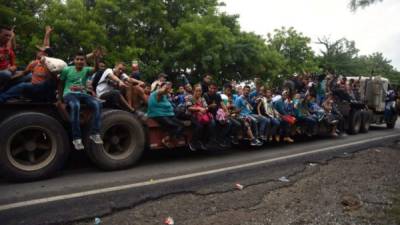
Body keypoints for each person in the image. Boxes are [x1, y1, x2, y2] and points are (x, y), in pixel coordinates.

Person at [59, 51, 103, 150]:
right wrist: (59, 99)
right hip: (69, 94)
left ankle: (95, 133)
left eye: (82, 59)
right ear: (74, 61)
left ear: (84, 61)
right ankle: (77, 138)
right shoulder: (67, 70)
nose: (79, 61)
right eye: (77, 59)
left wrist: (96, 58)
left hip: (83, 94)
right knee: (75, 106)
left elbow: (96, 69)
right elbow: (61, 84)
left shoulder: (86, 69)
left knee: (98, 104)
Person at [0, 26, 56, 103]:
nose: (38, 52)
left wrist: (47, 35)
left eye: (40, 51)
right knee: (24, 77)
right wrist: (11, 78)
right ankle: (6, 92)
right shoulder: (35, 63)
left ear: (46, 54)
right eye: (38, 50)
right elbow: (23, 73)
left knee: (23, 84)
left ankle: (2, 97)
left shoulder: (50, 63)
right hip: (35, 86)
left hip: (44, 87)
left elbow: (47, 48)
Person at [147, 82, 184, 148]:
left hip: (168, 114)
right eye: (162, 87)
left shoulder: (164, 96)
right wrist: (166, 88)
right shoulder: (157, 93)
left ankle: (170, 139)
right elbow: (161, 91)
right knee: (174, 126)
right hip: (158, 114)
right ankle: (167, 139)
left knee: (181, 125)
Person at [187, 84, 215, 151]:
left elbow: (206, 107)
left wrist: (205, 109)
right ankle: (192, 142)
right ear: (194, 91)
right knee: (199, 126)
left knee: (211, 125)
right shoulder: (189, 97)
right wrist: (198, 109)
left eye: (200, 91)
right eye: (197, 91)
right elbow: (188, 107)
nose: (198, 92)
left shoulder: (202, 98)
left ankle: (204, 142)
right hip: (192, 115)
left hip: (202, 115)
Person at [203, 82, 231, 147]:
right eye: (211, 88)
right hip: (208, 114)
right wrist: (210, 106)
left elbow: (222, 104)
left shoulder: (217, 95)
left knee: (228, 123)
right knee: (213, 123)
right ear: (208, 88)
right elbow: (204, 107)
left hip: (218, 114)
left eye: (214, 88)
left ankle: (220, 139)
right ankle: (210, 140)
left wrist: (226, 111)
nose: (212, 90)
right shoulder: (205, 95)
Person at [0, 26, 17, 90]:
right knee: (6, 74)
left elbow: (14, 65)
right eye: (6, 35)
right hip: (4, 73)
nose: (8, 38)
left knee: (29, 75)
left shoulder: (9, 51)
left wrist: (13, 68)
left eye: (9, 36)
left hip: (8, 73)